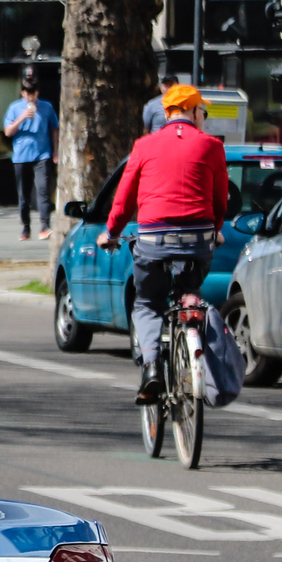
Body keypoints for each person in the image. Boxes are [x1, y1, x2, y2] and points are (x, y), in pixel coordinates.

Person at [104, 82, 229, 404]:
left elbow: (124, 198)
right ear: (190, 109)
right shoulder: (212, 146)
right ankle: (191, 316)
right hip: (198, 240)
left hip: (153, 240)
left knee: (146, 303)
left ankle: (152, 368)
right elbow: (220, 198)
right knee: (190, 292)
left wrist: (112, 233)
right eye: (203, 110)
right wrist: (215, 228)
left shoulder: (144, 146)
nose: (204, 116)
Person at [3, 72, 58, 241]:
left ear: (37, 93)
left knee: (43, 191)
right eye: (27, 94)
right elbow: (8, 132)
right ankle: (26, 228)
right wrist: (22, 118)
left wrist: (55, 152)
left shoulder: (47, 107)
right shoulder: (14, 108)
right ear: (22, 93)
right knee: (23, 195)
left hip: (42, 154)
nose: (30, 97)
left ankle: (45, 226)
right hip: (21, 156)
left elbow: (54, 129)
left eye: (33, 94)